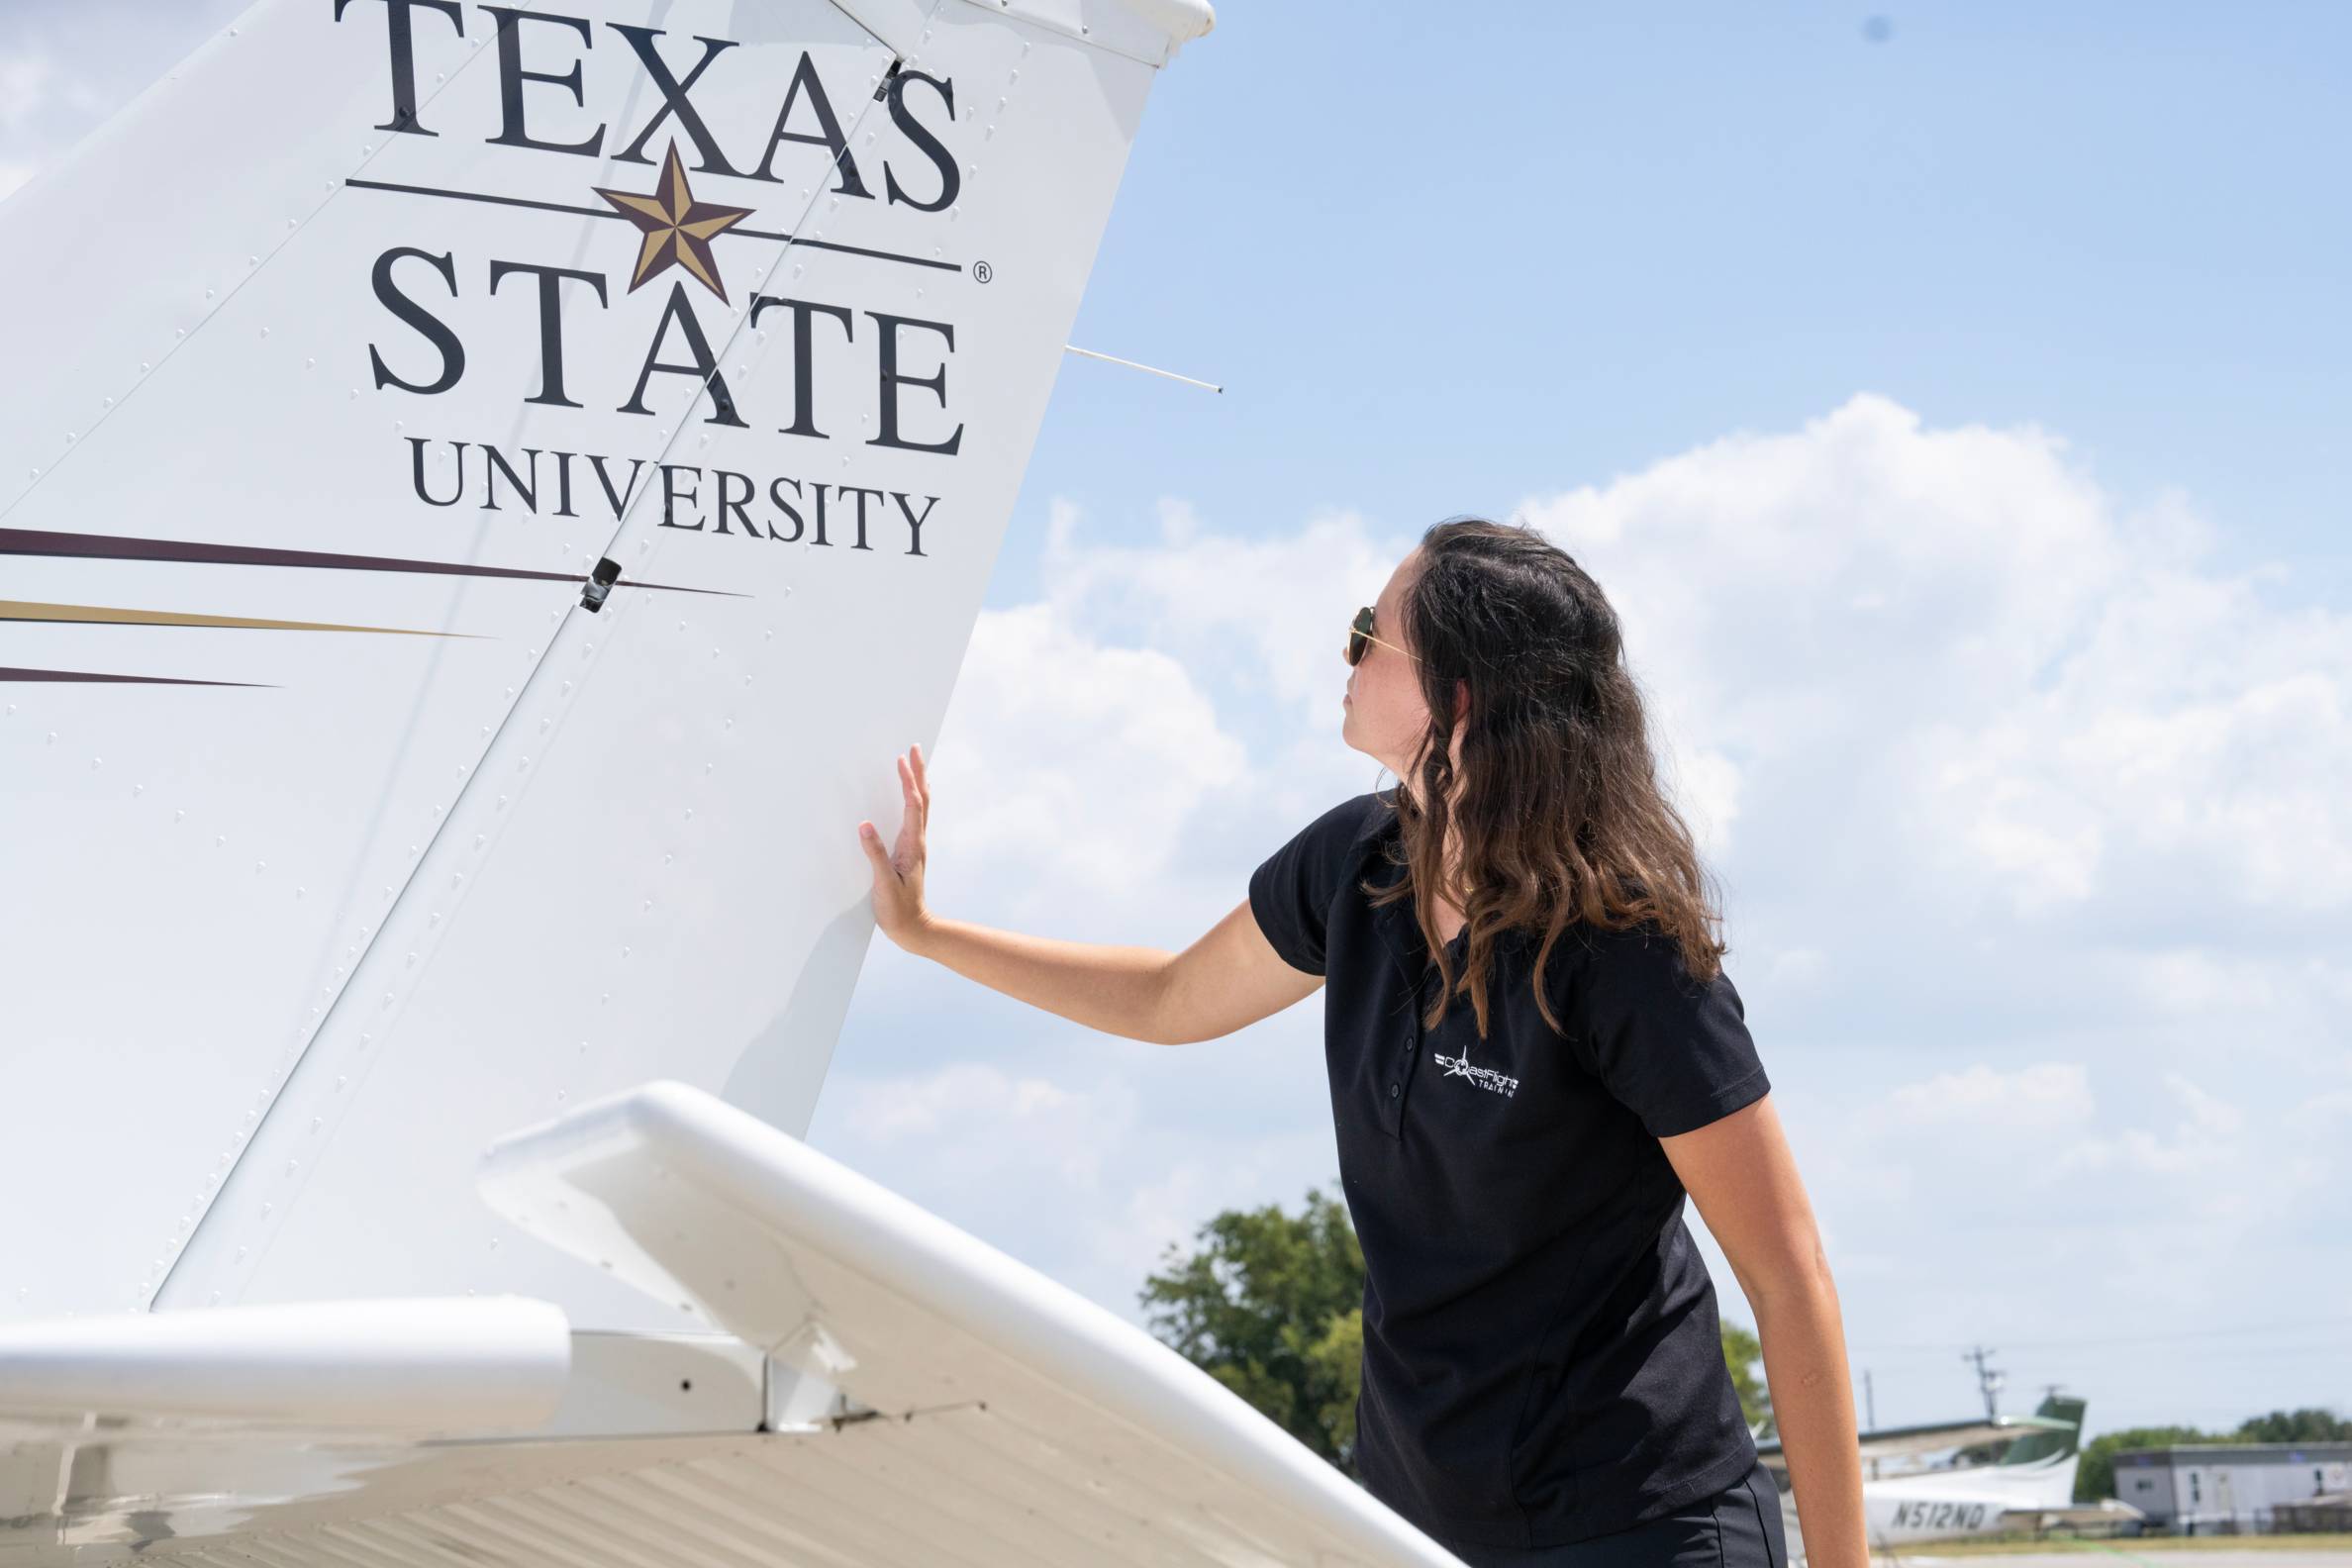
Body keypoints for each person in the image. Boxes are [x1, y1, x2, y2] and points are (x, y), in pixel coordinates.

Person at [855, 516, 1869, 1568]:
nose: (1341, 656)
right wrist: (928, 935)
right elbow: (1165, 999)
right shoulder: (1356, 866)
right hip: (1410, 1525)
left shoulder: (1622, 950)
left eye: (1365, 633)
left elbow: (1788, 1273)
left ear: (1458, 695)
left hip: (1637, 1525)